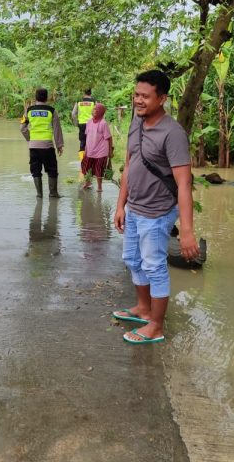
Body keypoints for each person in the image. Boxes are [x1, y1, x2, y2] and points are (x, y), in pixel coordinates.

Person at [113, 69, 200, 345]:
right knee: (132, 260)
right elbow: (129, 165)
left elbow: (184, 184)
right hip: (135, 208)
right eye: (136, 95)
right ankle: (143, 307)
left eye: (145, 96)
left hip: (158, 212)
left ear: (162, 99)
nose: (138, 101)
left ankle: (157, 326)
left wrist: (187, 231)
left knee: (154, 266)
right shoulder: (136, 123)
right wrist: (120, 205)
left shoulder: (173, 134)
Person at [21, 87, 64, 199]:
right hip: (47, 146)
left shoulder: (29, 110)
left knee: (35, 170)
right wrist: (59, 145)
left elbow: (22, 128)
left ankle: (39, 194)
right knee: (52, 169)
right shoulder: (51, 111)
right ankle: (53, 193)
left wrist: (30, 139)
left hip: (33, 146)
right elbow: (56, 129)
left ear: (36, 97)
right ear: (46, 97)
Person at [80, 102, 113, 192]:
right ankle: (88, 182)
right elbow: (88, 136)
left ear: (100, 112)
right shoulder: (89, 122)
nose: (93, 110)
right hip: (90, 149)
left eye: (95, 109)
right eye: (93, 109)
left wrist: (110, 151)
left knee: (99, 169)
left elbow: (109, 138)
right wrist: (86, 149)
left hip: (101, 151)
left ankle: (99, 187)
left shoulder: (103, 123)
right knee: (85, 166)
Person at [71, 88, 96, 159]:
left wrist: (76, 123)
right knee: (92, 142)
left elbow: (73, 114)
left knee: (82, 142)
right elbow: (97, 112)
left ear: (84, 92)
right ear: (91, 93)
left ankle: (82, 162)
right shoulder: (93, 101)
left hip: (81, 124)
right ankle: (91, 161)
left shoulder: (79, 101)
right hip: (91, 124)